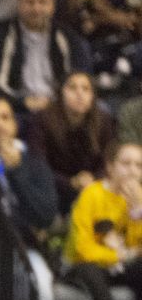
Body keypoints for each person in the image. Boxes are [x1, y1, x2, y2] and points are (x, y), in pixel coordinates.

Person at [0, 0, 92, 113]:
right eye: (30, 2)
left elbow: (80, 82)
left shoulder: (69, 38)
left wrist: (57, 104)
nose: (36, 9)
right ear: (19, 3)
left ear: (52, 5)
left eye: (42, 2)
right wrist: (24, 103)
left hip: (60, 110)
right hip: (17, 110)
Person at [62, 140, 142, 300]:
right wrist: (120, 255)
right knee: (88, 269)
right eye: (126, 164)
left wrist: (138, 212)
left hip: (120, 267)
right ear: (110, 167)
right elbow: (82, 249)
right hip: (84, 267)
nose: (133, 171)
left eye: (139, 166)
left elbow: (137, 247)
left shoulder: (139, 199)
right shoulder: (92, 194)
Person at [26, 71, 115, 210]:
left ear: (93, 96)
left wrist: (93, 178)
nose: (79, 94)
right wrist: (70, 182)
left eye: (86, 89)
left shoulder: (103, 121)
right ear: (61, 93)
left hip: (93, 186)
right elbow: (38, 164)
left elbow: (109, 159)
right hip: (54, 189)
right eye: (72, 88)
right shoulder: (42, 120)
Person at [0, 92, 61, 246]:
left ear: (15, 124)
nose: (0, 125)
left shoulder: (33, 160)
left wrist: (17, 170)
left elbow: (46, 216)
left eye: (5, 118)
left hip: (25, 247)